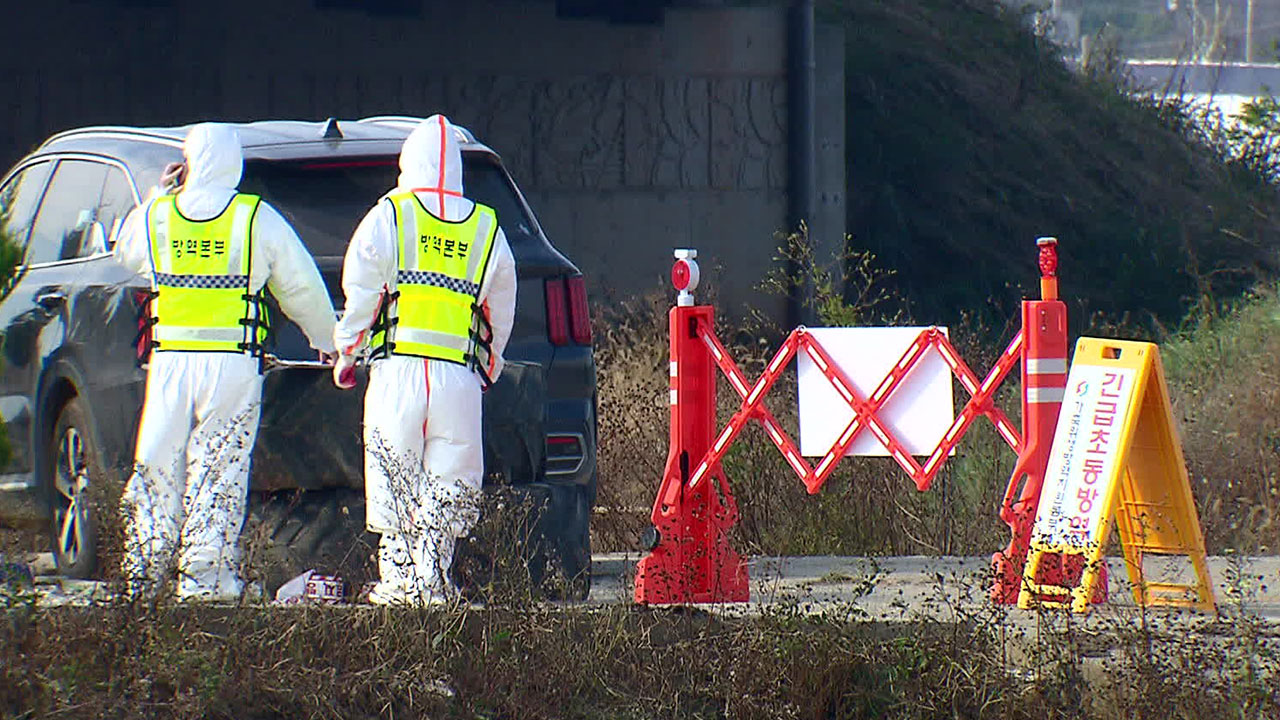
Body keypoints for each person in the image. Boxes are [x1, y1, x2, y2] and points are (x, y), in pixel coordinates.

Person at [114, 123, 337, 601]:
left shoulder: (159, 215)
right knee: (219, 467)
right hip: (232, 364)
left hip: (171, 362)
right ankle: (206, 581)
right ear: (234, 164)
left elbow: (126, 250)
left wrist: (161, 190)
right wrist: (329, 340)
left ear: (190, 163)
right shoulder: (255, 218)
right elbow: (299, 287)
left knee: (156, 463)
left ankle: (144, 575)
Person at [332, 115, 517, 606]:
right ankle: (433, 581)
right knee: (449, 478)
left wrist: (347, 351)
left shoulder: (388, 218)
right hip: (458, 378)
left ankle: (397, 584)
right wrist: (490, 364)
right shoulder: (486, 228)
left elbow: (362, 290)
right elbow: (503, 303)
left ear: (406, 164)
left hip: (397, 373)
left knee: (396, 474)